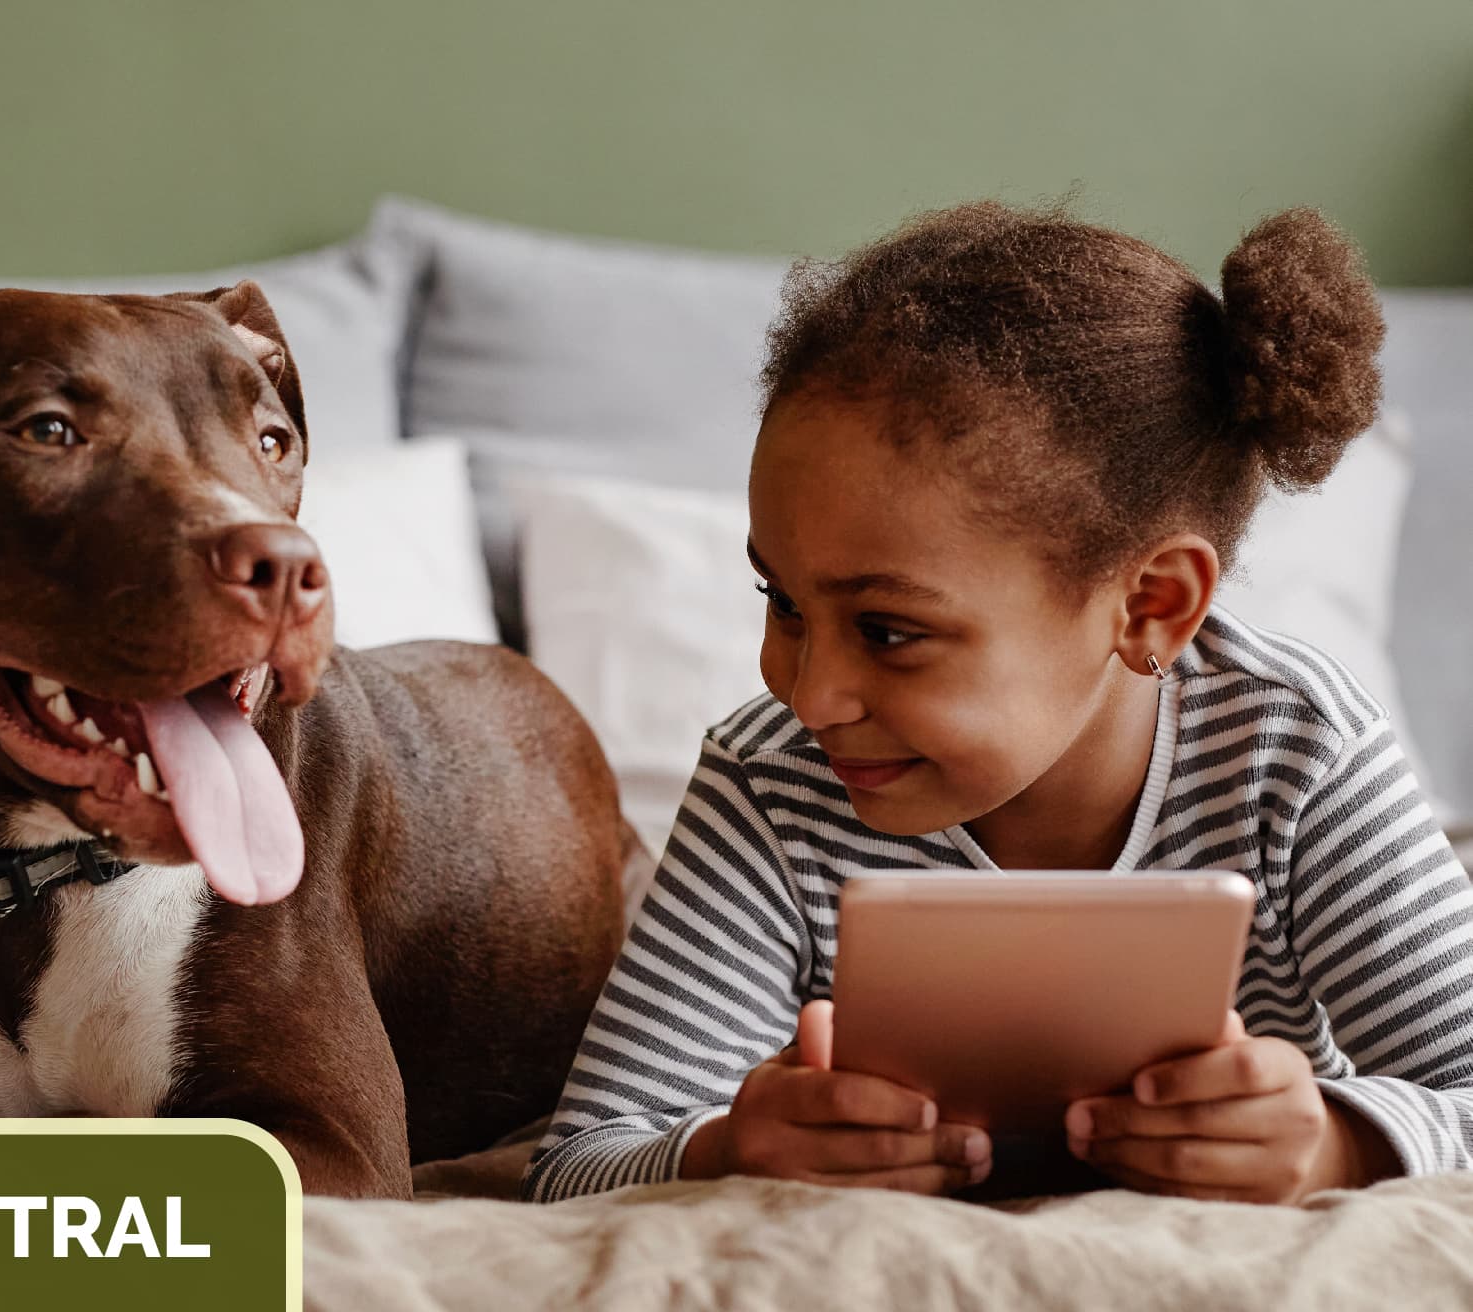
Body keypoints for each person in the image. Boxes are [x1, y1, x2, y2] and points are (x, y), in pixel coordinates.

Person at [523, 202, 1473, 1205]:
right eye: (782, 601)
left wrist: (1337, 1144)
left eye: (888, 631)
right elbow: (575, 1166)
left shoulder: (1295, 752)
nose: (809, 695)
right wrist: (723, 1147)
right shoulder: (770, 787)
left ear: (1151, 605)